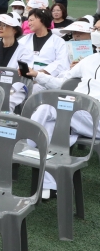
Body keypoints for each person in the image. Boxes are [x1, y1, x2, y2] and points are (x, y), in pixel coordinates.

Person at [26, 35, 100, 199]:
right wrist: (37, 74)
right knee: (51, 126)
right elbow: (61, 82)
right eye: (96, 28)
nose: (96, 32)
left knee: (53, 108)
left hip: (96, 117)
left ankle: (23, 143)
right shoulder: (89, 60)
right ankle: (51, 186)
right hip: (79, 115)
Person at [23, 8, 69, 93]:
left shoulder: (58, 41)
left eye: (31, 20)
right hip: (24, 78)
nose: (29, 23)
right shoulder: (24, 40)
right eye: (28, 21)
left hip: (46, 81)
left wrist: (41, 73)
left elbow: (62, 62)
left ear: (42, 20)